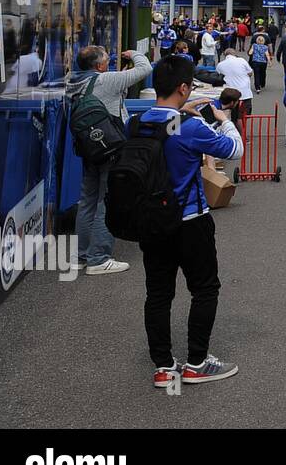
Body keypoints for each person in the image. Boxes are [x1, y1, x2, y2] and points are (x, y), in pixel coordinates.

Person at [136, 56, 243, 387]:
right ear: (184, 88)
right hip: (190, 219)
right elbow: (234, 150)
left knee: (158, 294)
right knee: (204, 289)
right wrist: (223, 120)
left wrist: (183, 115)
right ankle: (197, 362)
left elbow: (166, 132)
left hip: (151, 221)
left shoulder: (136, 122)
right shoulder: (189, 126)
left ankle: (164, 366)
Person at [64, 45, 152, 276]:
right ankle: (99, 258)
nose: (109, 63)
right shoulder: (108, 80)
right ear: (99, 65)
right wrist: (134, 54)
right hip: (111, 147)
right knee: (109, 201)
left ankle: (81, 256)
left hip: (88, 148)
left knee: (87, 202)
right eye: (106, 60)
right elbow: (145, 69)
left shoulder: (73, 83)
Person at [217, 47, 255, 120]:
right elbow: (250, 72)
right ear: (234, 54)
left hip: (229, 94)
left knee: (232, 116)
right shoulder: (241, 60)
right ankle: (241, 130)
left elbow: (219, 77)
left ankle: (233, 127)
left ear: (225, 55)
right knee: (243, 116)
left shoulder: (220, 65)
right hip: (244, 92)